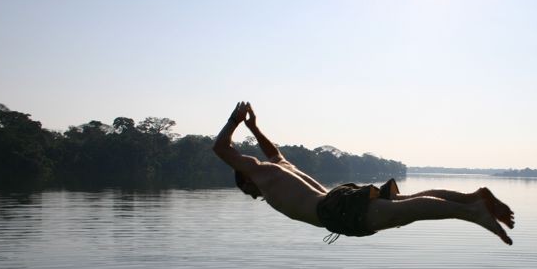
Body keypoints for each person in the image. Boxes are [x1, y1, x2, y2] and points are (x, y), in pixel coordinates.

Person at [213, 102, 515, 244]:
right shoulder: (280, 168)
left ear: (246, 177)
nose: (254, 196)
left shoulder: (261, 174)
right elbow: (275, 153)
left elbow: (221, 149)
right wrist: (253, 127)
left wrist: (235, 120)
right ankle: (472, 197)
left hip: (335, 211)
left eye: (248, 190)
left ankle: (473, 213)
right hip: (340, 198)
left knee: (405, 212)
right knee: (408, 201)